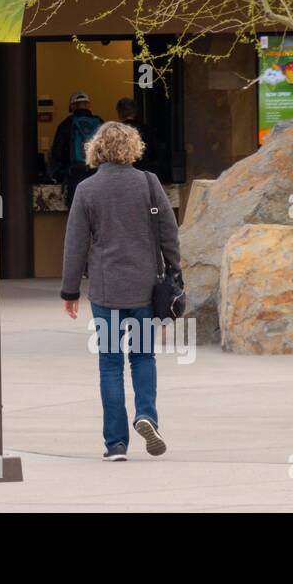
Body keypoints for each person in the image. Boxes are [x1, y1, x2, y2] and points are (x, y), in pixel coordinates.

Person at [60, 121, 181, 462]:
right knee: (143, 357)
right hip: (144, 288)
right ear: (132, 148)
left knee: (110, 365)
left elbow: (75, 244)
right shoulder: (148, 183)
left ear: (96, 149)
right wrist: (175, 272)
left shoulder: (87, 189)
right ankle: (146, 415)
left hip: (105, 290)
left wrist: (69, 291)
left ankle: (115, 444)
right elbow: (169, 232)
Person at [49, 91, 103, 207]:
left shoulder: (66, 124)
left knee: (77, 215)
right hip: (97, 176)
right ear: (88, 105)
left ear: (72, 106)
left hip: (75, 176)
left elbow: (57, 153)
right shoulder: (100, 123)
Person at [116, 96, 153, 173]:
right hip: (142, 170)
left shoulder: (115, 131)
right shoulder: (145, 129)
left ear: (119, 112)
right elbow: (151, 152)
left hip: (122, 171)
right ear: (135, 112)